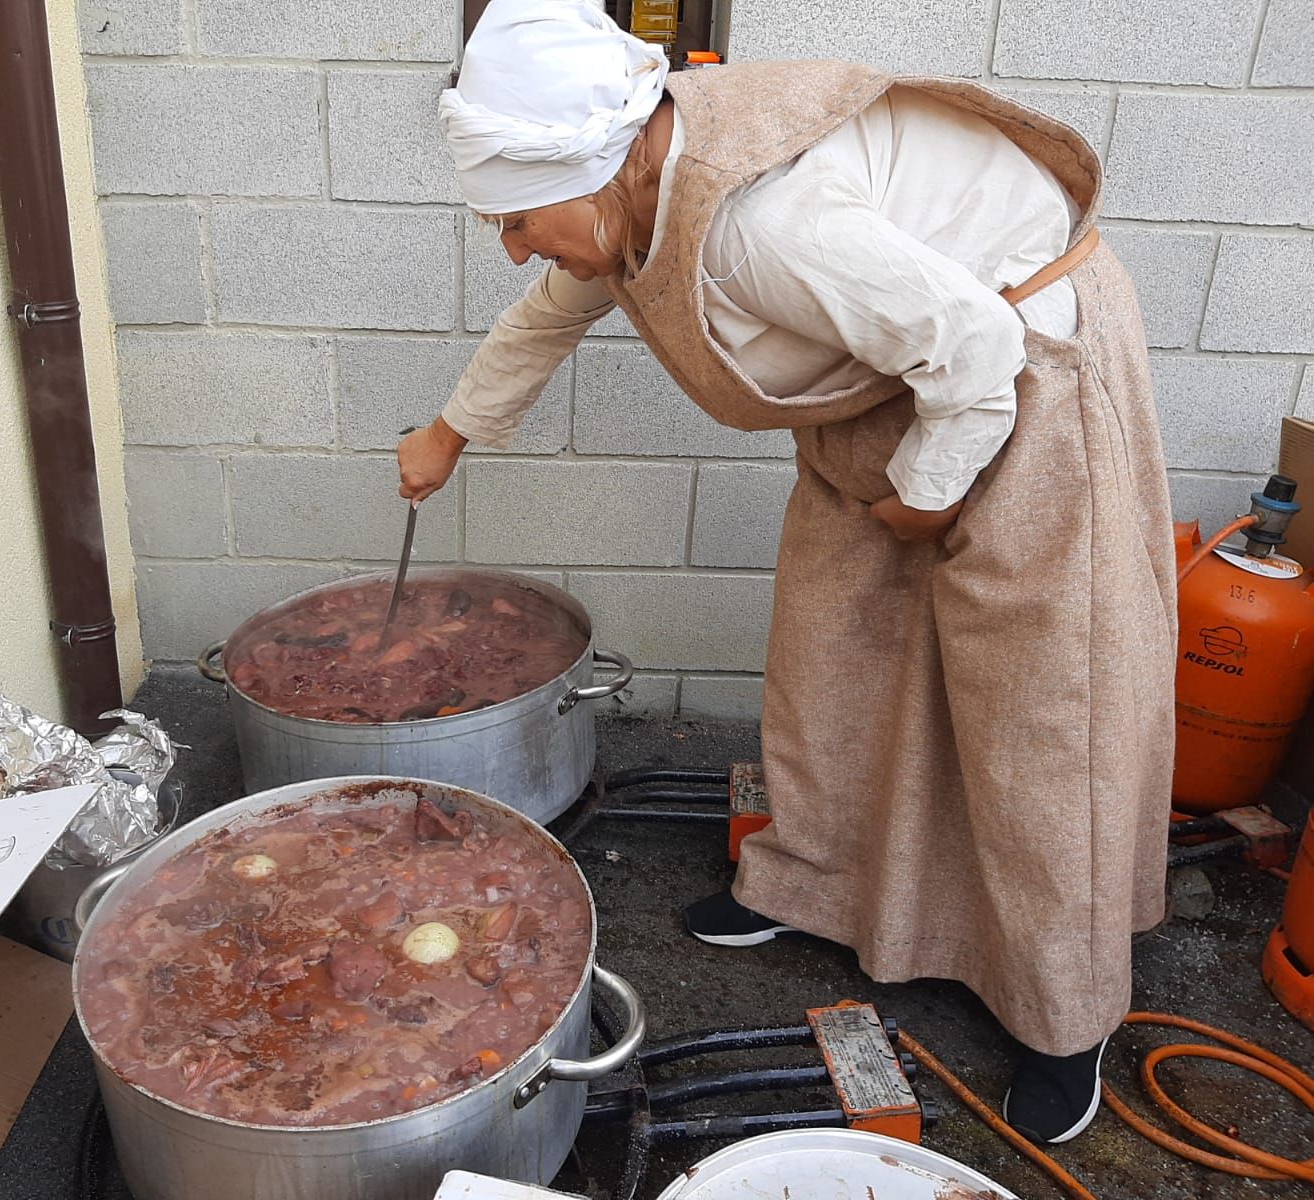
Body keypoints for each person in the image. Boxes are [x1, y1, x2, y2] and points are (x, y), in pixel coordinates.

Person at [396, 0, 1175, 1146]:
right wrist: (452, 430)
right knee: (834, 652)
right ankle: (811, 891)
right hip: (891, 377)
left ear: (599, 164)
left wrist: (928, 493)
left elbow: (976, 351)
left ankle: (1064, 1017)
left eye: (517, 219)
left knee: (1037, 712)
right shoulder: (629, 191)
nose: (513, 246)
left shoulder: (768, 225)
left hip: (1023, 368)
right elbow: (552, 306)